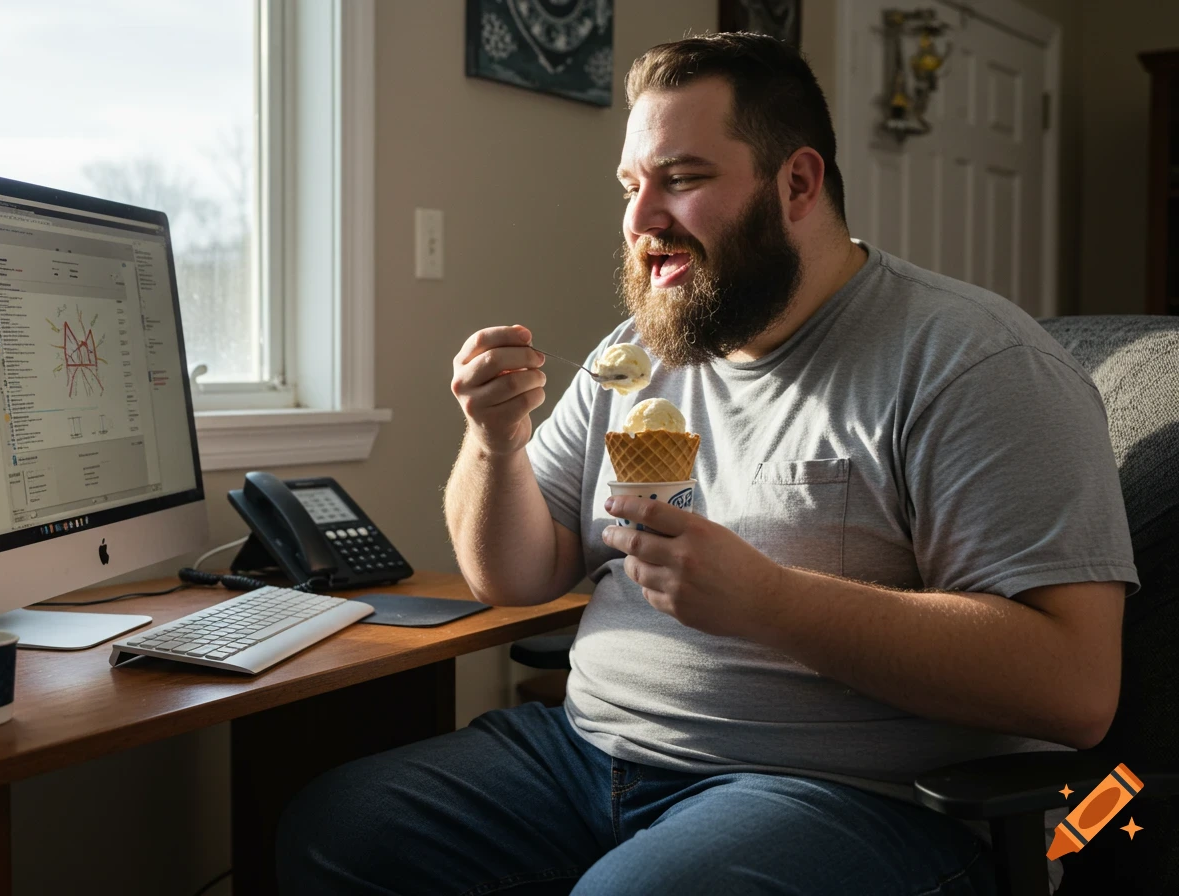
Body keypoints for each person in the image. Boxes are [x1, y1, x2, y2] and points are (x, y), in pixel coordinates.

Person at [277, 33, 1137, 895]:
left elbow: (1073, 686)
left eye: (682, 180)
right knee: (340, 825)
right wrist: (493, 441)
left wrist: (769, 602)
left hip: (854, 797)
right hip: (587, 754)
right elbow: (514, 575)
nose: (640, 218)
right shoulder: (641, 354)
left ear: (797, 183)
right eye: (630, 185)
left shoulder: (973, 364)